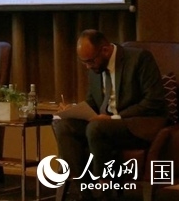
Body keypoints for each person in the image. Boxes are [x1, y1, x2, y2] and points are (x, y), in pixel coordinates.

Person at [51, 30, 167, 199]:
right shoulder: (95, 67)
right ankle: (86, 194)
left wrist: (113, 118)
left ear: (105, 50)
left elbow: (153, 101)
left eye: (90, 61)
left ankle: (105, 193)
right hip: (104, 126)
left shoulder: (140, 59)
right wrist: (72, 111)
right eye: (84, 62)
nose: (88, 67)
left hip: (136, 125)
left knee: (96, 127)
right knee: (64, 126)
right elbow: (93, 103)